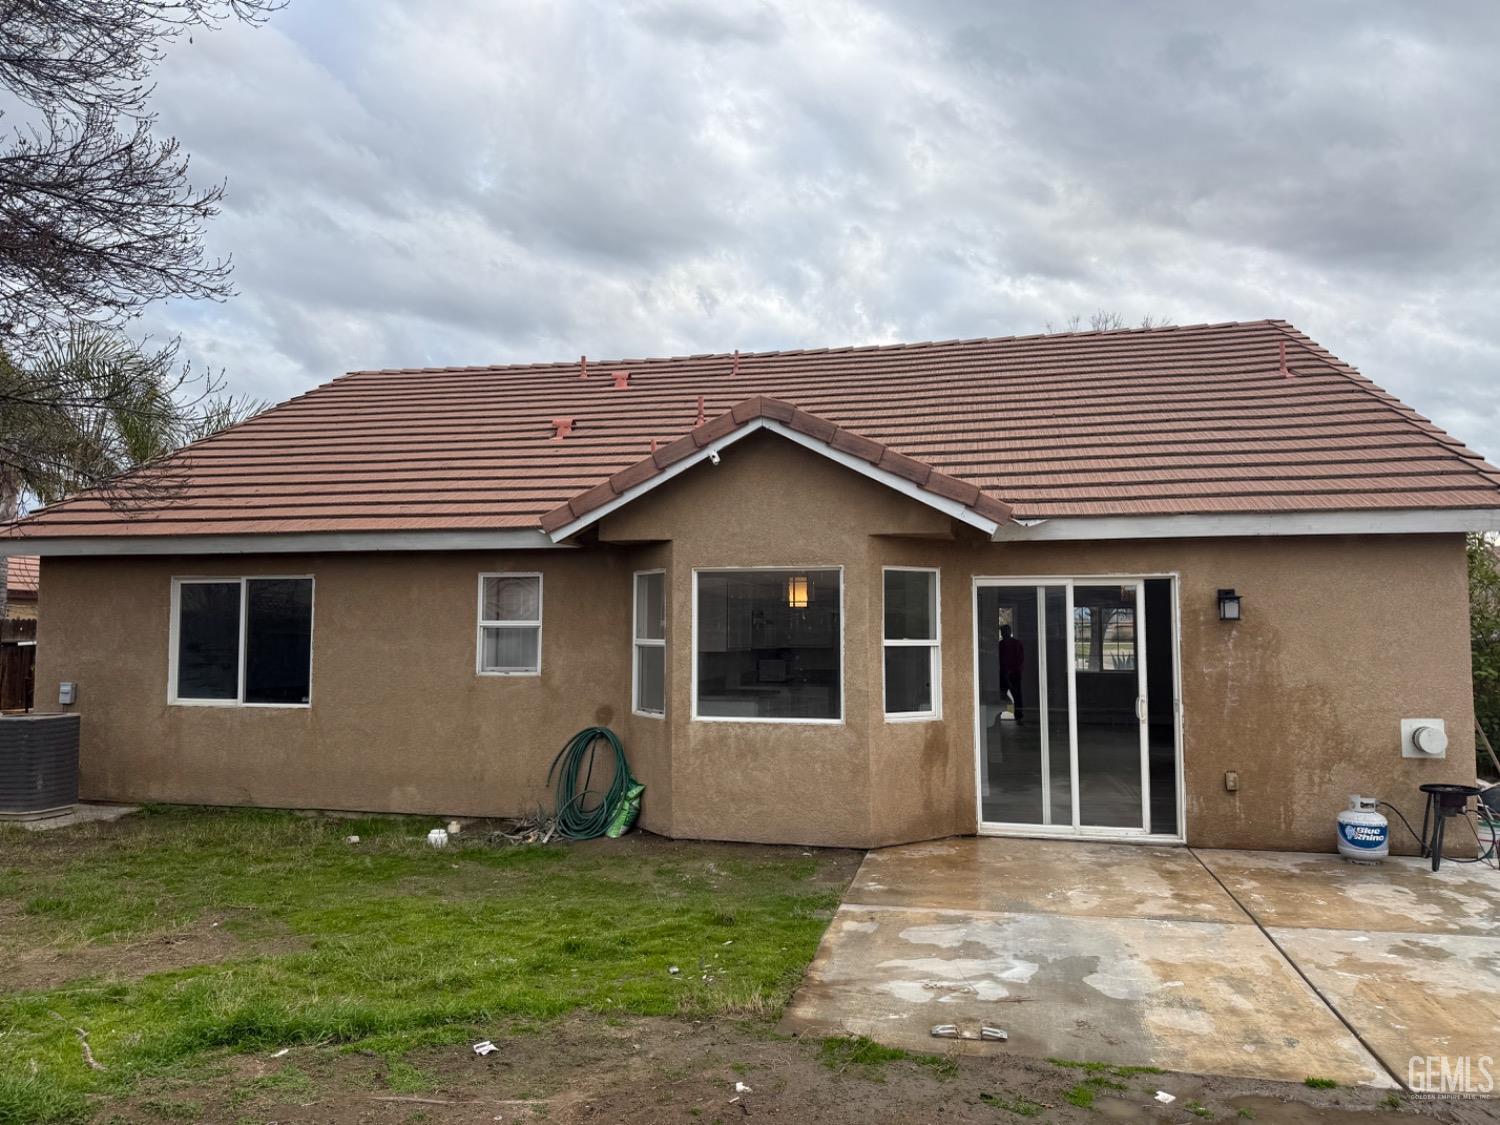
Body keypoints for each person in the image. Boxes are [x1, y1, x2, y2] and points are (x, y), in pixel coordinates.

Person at [998, 623, 1026, 723]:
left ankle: (1016, 716)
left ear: (1009, 632)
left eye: (1004, 632)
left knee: (1012, 696)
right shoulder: (1002, 645)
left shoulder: (1014, 644)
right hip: (1007, 674)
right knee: (1005, 697)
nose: (1003, 634)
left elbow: (1020, 659)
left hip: (1011, 674)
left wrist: (1013, 671)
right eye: (1002, 632)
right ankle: (1005, 715)